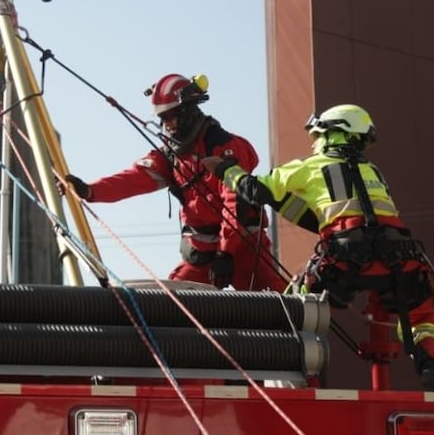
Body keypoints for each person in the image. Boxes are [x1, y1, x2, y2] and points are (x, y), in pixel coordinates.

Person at [204, 103, 434, 391]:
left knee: (295, 309)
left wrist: (226, 170)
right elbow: (350, 215)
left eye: (317, 134)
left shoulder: (310, 166)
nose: (314, 142)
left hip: (343, 260)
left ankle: (286, 384)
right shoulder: (373, 171)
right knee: (421, 319)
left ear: (331, 134)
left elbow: (257, 191)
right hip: (402, 260)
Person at [58, 73, 284, 292]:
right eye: (162, 118)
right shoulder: (172, 156)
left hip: (241, 249)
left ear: (186, 111)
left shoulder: (225, 147)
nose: (167, 124)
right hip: (201, 254)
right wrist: (90, 191)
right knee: (168, 305)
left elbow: (235, 204)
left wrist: (225, 253)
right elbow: (134, 179)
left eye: (170, 116)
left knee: (281, 309)